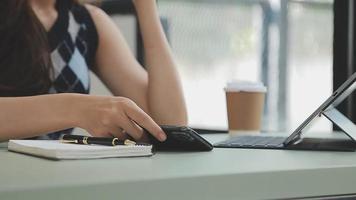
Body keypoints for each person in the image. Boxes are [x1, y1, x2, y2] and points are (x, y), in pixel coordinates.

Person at [0, 0, 188, 142]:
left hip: (54, 183)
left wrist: (146, 8)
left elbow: (168, 125)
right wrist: (75, 108)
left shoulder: (86, 22)